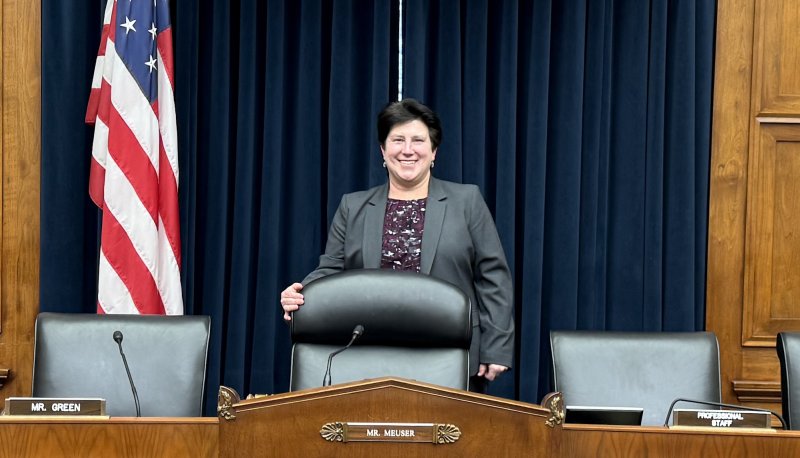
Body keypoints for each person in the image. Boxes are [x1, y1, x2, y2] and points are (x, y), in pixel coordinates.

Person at [280, 98, 514, 391]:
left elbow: (493, 278)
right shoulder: (353, 206)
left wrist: (497, 347)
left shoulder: (467, 201)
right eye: (397, 140)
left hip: (450, 353)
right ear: (383, 150)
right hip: (368, 354)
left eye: (418, 140)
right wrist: (301, 292)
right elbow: (331, 269)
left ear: (433, 151)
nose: (407, 149)